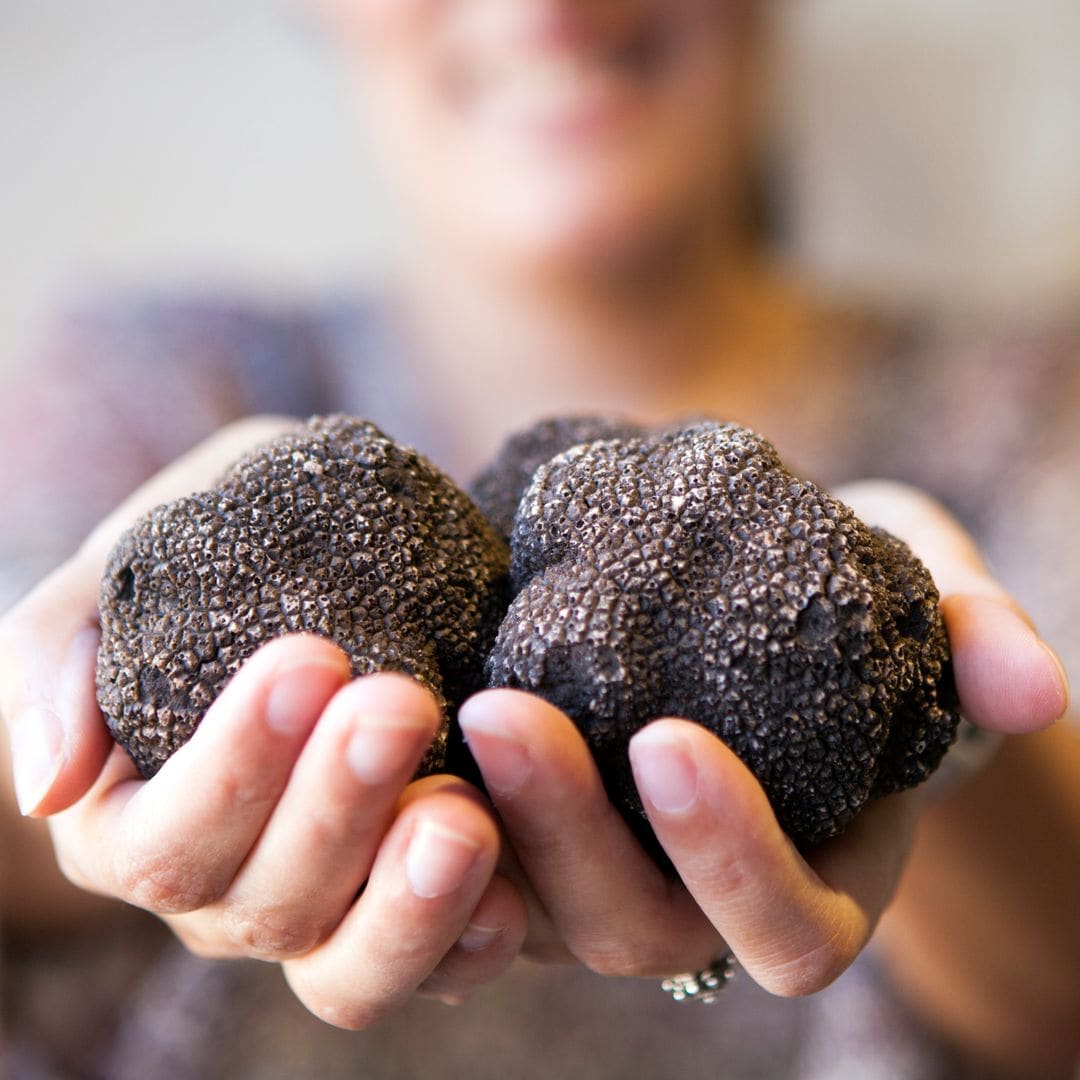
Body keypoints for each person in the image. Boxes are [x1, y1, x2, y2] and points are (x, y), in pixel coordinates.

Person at [2, 2, 1078, 1077]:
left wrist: (941, 719)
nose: (543, 8)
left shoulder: (1029, 407)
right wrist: (72, 746)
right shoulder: (140, 382)